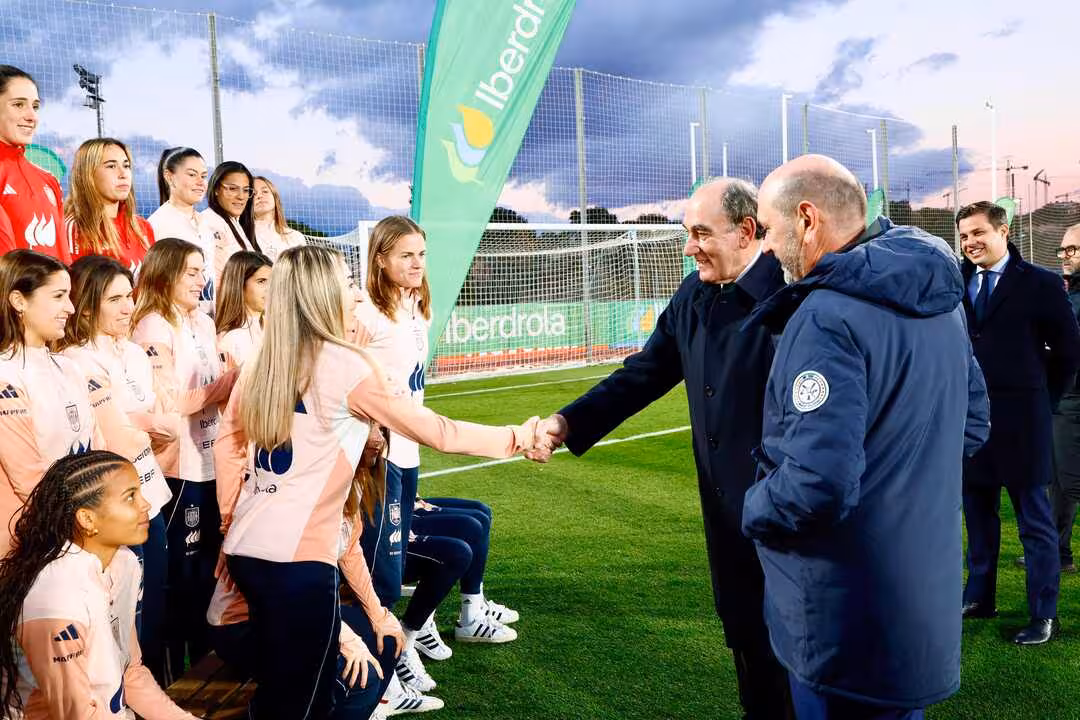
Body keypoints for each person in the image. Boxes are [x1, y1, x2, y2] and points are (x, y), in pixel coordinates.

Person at [212, 244, 537, 719]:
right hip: (298, 560)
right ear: (323, 294)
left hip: (246, 549)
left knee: (285, 692)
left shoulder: (265, 359)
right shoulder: (345, 364)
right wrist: (517, 438)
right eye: (347, 282)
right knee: (304, 702)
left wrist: (229, 519)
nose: (356, 292)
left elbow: (227, 443)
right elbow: (436, 431)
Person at [529, 179, 791, 719]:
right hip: (725, 516)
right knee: (747, 640)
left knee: (796, 650)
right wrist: (566, 423)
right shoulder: (693, 296)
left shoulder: (791, 297)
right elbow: (643, 374)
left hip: (788, 515)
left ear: (746, 232)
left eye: (701, 233)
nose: (689, 247)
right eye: (687, 233)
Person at [738, 154, 989, 719]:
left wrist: (753, 505)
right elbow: (973, 425)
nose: (767, 249)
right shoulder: (940, 301)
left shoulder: (826, 316)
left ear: (807, 220)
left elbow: (817, 485)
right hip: (921, 600)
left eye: (770, 230)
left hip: (845, 616)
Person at [356, 216, 518, 695]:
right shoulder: (365, 313)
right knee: (384, 567)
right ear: (380, 258)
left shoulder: (416, 307)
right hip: (379, 458)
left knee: (394, 561)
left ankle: (402, 645)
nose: (416, 264)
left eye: (421, 254)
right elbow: (349, 381)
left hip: (408, 454)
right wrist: (372, 438)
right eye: (405, 255)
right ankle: (385, 668)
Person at [957, 200, 1080, 645]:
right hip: (971, 423)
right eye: (964, 235)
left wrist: (1044, 400)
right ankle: (979, 598)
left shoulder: (1041, 283)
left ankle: (1044, 614)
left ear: (1003, 231)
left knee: (1034, 522)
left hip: (1024, 422)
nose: (970, 242)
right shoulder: (955, 282)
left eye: (978, 232)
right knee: (978, 516)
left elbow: (1068, 352)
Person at [0, 451, 197, 719]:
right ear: (87, 519)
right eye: (130, 497)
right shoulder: (56, 598)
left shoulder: (125, 564)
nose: (146, 505)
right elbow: (75, 715)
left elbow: (130, 672)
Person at [60, 254, 178, 685]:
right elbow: (119, 439)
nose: (128, 307)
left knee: (155, 607)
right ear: (87, 305)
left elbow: (168, 419)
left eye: (129, 296)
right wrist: (148, 427)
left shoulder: (134, 353)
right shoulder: (77, 359)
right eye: (115, 299)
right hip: (112, 507)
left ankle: (152, 692)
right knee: (124, 614)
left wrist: (142, 425)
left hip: (152, 495)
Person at [132, 238, 238, 683]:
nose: (201, 279)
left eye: (201, 271)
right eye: (191, 272)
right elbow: (171, 405)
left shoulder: (203, 321)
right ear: (165, 274)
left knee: (207, 576)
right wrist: (227, 385)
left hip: (211, 462)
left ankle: (206, 673)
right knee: (179, 580)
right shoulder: (153, 328)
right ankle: (170, 683)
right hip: (178, 469)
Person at [0, 250, 100, 557]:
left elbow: (98, 450)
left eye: (69, 296)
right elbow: (27, 477)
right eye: (58, 296)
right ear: (19, 301)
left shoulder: (70, 368)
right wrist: (82, 525)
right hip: (27, 543)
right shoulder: (5, 375)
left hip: (82, 530)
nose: (70, 308)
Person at [0, 65, 68, 261]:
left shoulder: (49, 181)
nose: (32, 117)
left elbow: (64, 259)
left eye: (35, 106)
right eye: (18, 104)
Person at [64, 137, 155, 271]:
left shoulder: (143, 228)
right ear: (88, 174)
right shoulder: (75, 229)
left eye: (126, 166)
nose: (123, 174)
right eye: (111, 166)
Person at [1048, 222, 1080, 572]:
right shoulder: (1069, 293)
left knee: (1071, 480)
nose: (1064, 256)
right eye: (1063, 249)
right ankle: (1058, 552)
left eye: (1072, 249)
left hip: (1074, 398)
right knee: (1057, 479)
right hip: (1062, 398)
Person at [146, 147, 214, 311]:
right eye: (192, 175)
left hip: (207, 314)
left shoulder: (205, 222)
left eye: (204, 176)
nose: (200, 182)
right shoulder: (158, 224)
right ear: (169, 177)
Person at [203, 160, 259, 287]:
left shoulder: (235, 223)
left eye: (246, 190)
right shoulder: (210, 222)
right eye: (233, 189)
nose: (241, 196)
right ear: (216, 189)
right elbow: (215, 280)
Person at [215, 251, 272, 368]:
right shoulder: (231, 339)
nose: (270, 288)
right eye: (261, 281)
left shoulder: (272, 330)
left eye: (272, 281)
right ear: (239, 284)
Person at [252, 176, 304, 262]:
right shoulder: (240, 235)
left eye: (265, 191)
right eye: (253, 194)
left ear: (275, 197)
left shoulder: (296, 237)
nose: (259, 196)